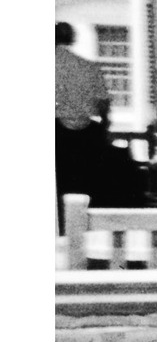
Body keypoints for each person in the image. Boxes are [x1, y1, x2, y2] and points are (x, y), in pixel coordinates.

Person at [55, 22, 111, 220]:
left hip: (57, 133)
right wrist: (105, 127)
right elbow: (103, 103)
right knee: (84, 185)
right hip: (86, 135)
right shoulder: (88, 66)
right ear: (72, 38)